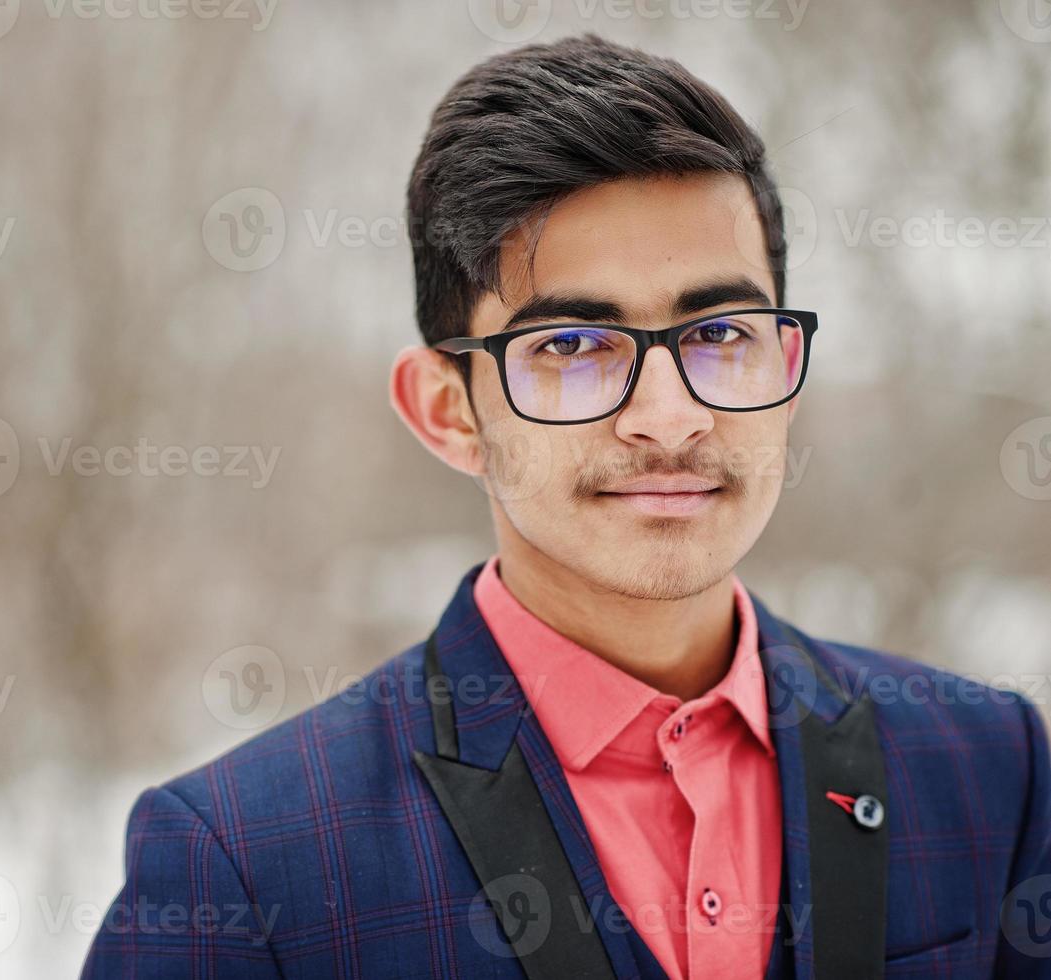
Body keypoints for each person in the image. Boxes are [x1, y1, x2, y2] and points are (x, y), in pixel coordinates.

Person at [84, 34, 1051, 978]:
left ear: (787, 368)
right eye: (572, 349)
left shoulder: (986, 769)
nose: (669, 418)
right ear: (447, 411)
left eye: (720, 333)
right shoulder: (247, 868)